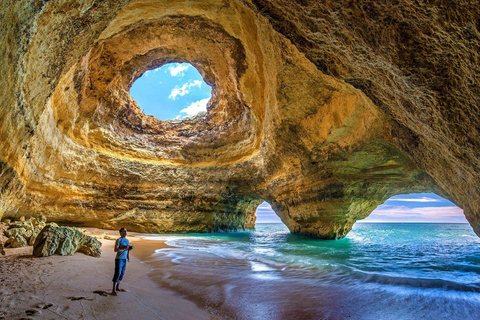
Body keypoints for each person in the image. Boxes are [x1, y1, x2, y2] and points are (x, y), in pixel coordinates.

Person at [111, 227, 133, 296]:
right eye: (124, 231)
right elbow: (116, 250)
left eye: (126, 231)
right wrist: (124, 248)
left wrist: (128, 252)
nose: (125, 232)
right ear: (120, 233)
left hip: (124, 259)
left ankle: (117, 287)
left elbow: (127, 250)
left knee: (122, 273)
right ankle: (113, 290)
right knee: (117, 273)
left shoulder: (127, 240)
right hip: (119, 259)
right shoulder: (118, 240)